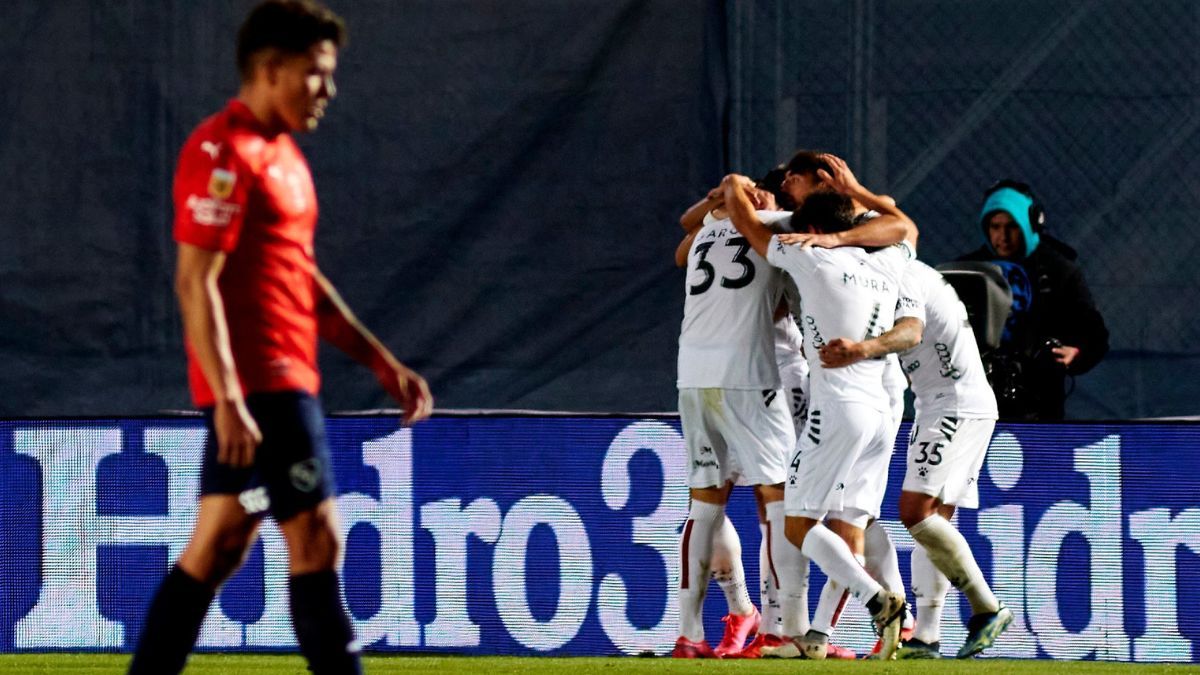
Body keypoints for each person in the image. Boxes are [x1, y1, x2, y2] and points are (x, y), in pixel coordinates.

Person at [128, 2, 433, 673]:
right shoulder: (223, 151)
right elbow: (193, 281)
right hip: (262, 385)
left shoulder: (286, 158)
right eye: (314, 74)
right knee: (317, 542)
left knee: (219, 544)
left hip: (280, 378)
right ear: (269, 69)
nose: (327, 89)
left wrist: (381, 361)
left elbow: (302, 279)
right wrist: (232, 397)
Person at [722, 154, 914, 661]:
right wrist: (856, 189)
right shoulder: (888, 258)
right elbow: (903, 223)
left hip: (838, 407)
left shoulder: (806, 252)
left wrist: (733, 184)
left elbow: (744, 223)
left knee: (797, 521)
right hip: (885, 409)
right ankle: (818, 638)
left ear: (810, 226)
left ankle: (881, 600)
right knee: (852, 521)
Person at [819, 258, 1013, 658]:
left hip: (953, 404)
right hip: (947, 403)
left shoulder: (899, 270)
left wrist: (859, 349)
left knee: (916, 512)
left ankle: (987, 607)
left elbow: (910, 332)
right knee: (935, 520)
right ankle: (926, 635)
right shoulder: (897, 266)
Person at [957, 180, 1108, 419]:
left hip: (1041, 397)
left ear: (1029, 225)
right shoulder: (966, 271)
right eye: (995, 227)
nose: (1003, 236)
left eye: (1012, 227)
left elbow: (1095, 333)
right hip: (976, 395)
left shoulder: (1060, 271)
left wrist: (1076, 353)